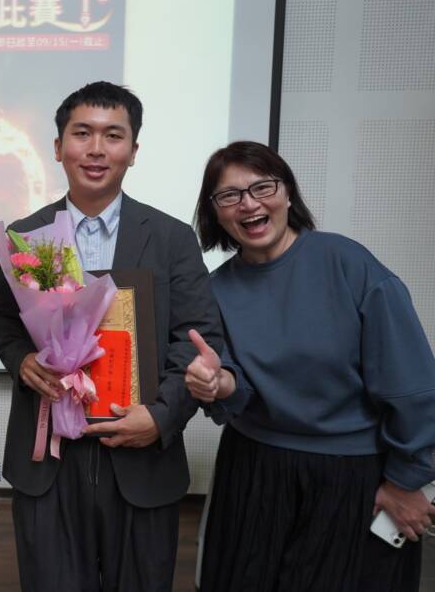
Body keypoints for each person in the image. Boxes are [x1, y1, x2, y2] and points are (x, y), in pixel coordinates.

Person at [0, 81, 224, 591]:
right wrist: (22, 359)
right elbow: (1, 320)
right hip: (49, 463)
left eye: (113, 136)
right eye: (82, 133)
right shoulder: (27, 234)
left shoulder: (171, 238)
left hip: (141, 459)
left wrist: (160, 418)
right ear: (58, 147)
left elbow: (196, 339)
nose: (96, 149)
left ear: (133, 151)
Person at [184, 140, 435, 591]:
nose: (249, 204)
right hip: (253, 469)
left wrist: (407, 480)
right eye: (230, 195)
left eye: (263, 187)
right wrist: (217, 384)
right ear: (215, 213)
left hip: (353, 474)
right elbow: (237, 390)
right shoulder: (216, 290)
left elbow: (413, 387)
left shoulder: (349, 264)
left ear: (287, 194)